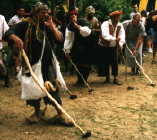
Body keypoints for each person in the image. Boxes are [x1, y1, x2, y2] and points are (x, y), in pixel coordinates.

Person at [3, 2, 63, 123]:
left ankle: (61, 114)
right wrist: (17, 38)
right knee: (33, 86)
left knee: (53, 86)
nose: (45, 15)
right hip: (31, 63)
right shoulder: (26, 24)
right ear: (35, 13)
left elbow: (60, 39)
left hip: (48, 62)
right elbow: (7, 33)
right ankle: (37, 113)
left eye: (46, 12)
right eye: (42, 12)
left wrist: (52, 27)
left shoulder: (48, 26)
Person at [64, 11, 92, 86]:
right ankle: (79, 79)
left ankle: (85, 80)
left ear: (76, 16)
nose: (72, 19)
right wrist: (67, 51)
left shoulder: (84, 22)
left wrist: (78, 27)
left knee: (86, 63)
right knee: (77, 63)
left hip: (88, 44)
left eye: (73, 17)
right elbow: (68, 39)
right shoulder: (69, 26)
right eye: (70, 18)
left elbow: (87, 33)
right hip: (77, 45)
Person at [98, 11, 125, 85]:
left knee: (115, 62)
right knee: (105, 62)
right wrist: (114, 39)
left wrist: (120, 44)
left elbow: (122, 35)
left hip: (114, 46)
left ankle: (115, 78)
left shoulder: (120, 25)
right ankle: (107, 78)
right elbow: (105, 35)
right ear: (112, 18)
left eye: (119, 18)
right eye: (116, 18)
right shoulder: (105, 24)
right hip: (105, 45)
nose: (118, 19)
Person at [8, 5, 25, 74]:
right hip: (15, 40)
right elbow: (9, 30)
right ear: (17, 11)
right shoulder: (13, 19)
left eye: (23, 11)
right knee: (16, 55)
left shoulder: (23, 19)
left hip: (23, 39)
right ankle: (17, 69)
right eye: (20, 11)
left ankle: (22, 68)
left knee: (23, 54)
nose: (22, 12)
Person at [0, 15, 12, 87]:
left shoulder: (1, 18)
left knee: (1, 64)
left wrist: (3, 39)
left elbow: (7, 32)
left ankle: (6, 79)